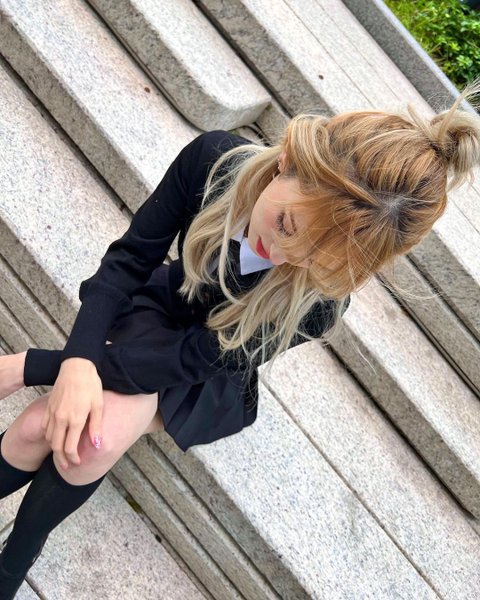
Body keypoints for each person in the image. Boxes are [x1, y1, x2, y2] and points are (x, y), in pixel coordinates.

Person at [1, 77, 480, 597]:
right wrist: (78, 363)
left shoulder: (319, 303)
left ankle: (13, 563)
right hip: (168, 306)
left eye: (313, 258)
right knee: (36, 431)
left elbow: (196, 358)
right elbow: (130, 259)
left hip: (209, 369)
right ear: (287, 161)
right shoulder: (213, 164)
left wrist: (38, 365)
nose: (280, 252)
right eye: (288, 225)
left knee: (86, 442)